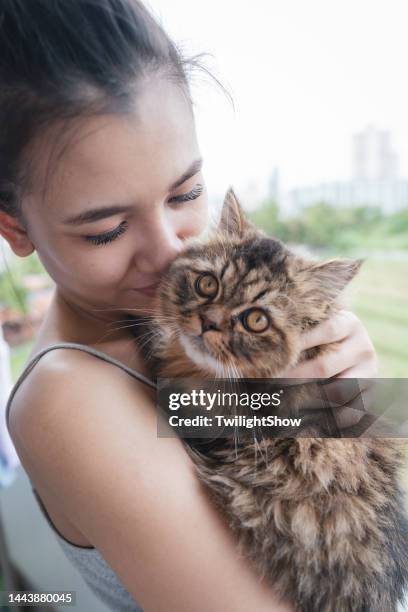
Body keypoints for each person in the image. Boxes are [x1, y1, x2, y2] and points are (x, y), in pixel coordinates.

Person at [0, 1, 378, 610]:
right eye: (105, 230)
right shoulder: (70, 399)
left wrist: (347, 388)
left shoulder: (158, 320)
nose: (170, 250)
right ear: (15, 229)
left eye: (185, 193)